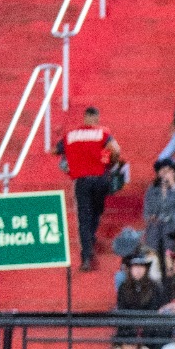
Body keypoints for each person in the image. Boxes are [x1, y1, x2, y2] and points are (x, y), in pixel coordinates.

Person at [58, 106, 121, 272]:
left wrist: (70, 160)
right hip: (100, 178)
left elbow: (56, 150)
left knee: (84, 217)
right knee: (97, 210)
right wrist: (112, 164)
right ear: (97, 119)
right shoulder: (102, 133)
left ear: (84, 117)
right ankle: (90, 240)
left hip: (82, 180)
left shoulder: (71, 135)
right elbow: (116, 149)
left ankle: (86, 256)